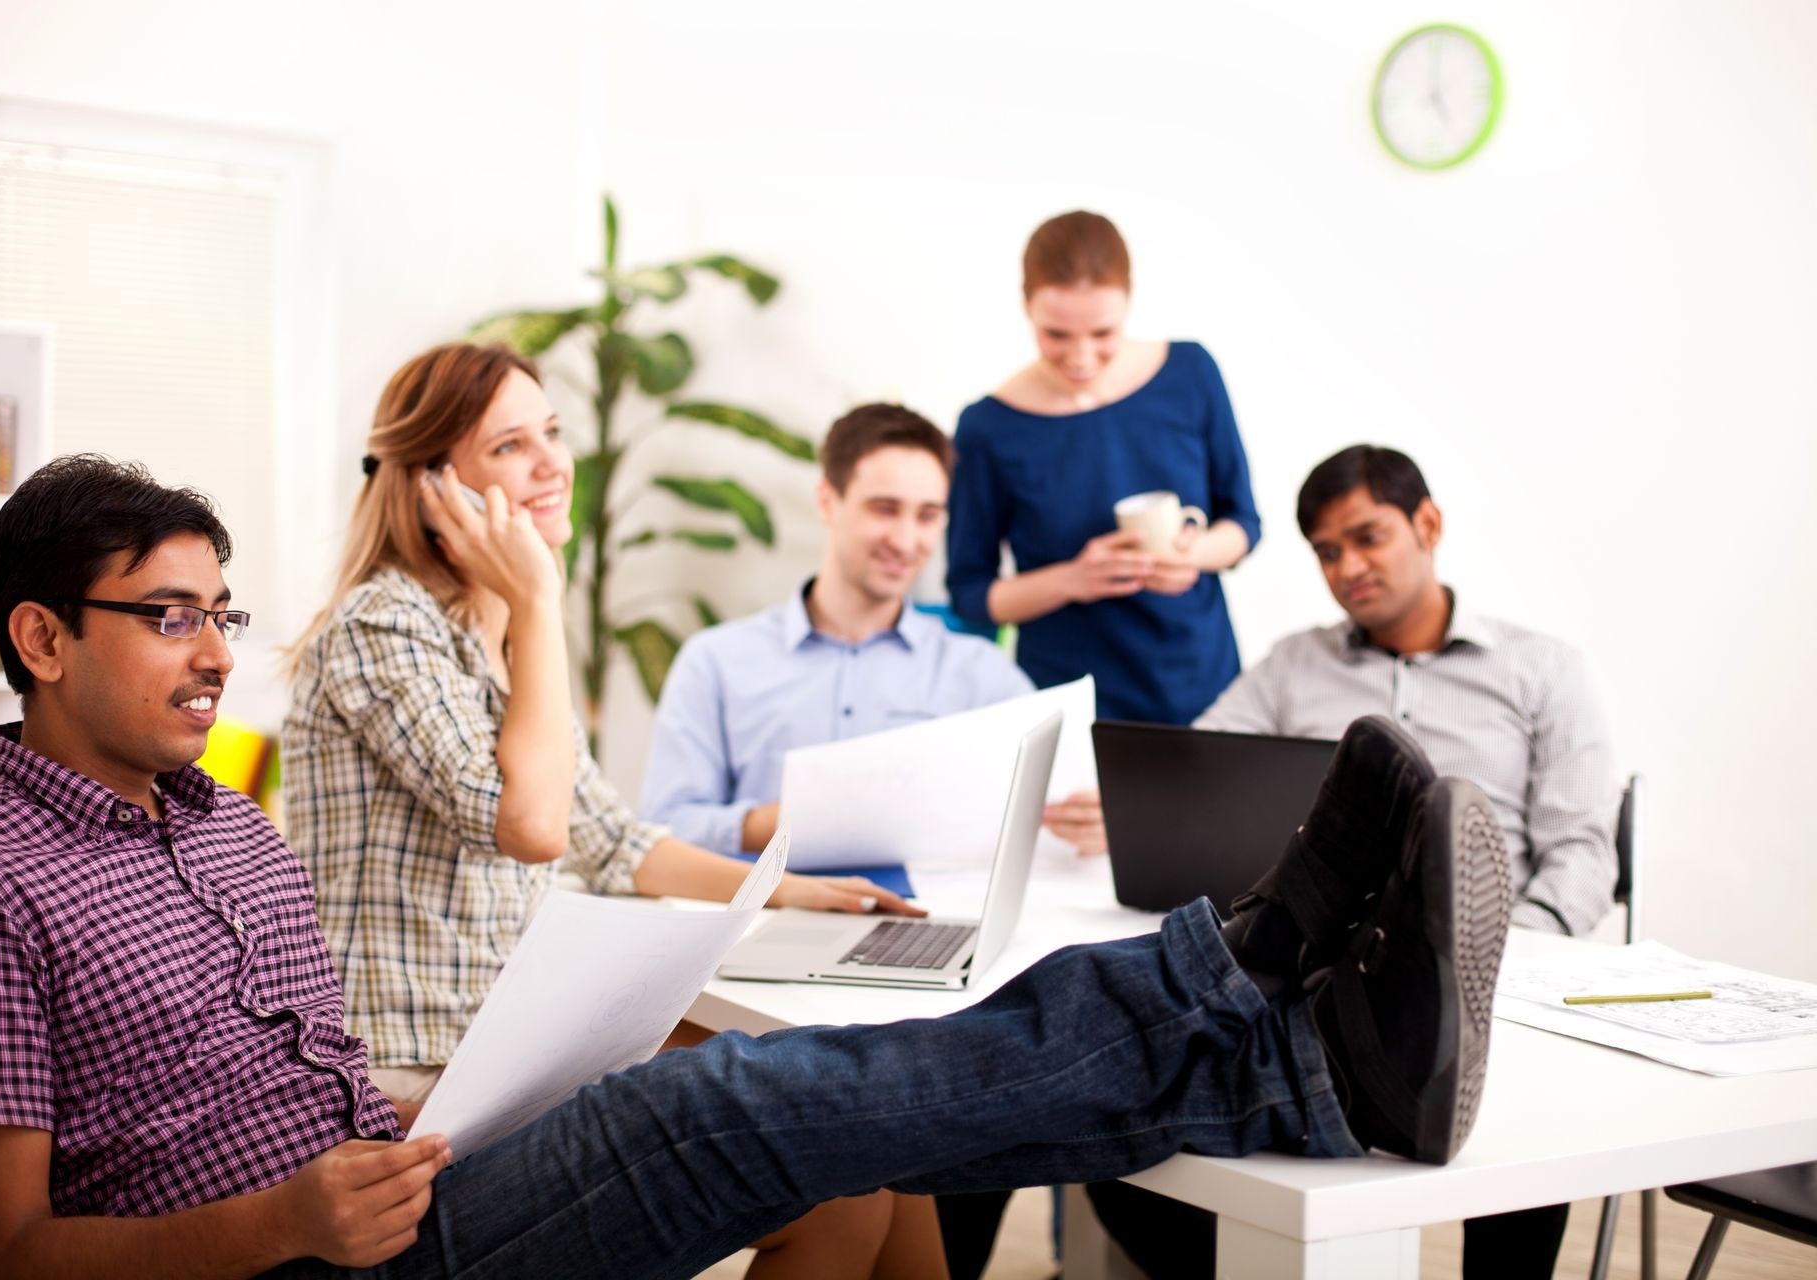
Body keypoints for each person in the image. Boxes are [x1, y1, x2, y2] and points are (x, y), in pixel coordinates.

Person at [0, 453, 1513, 1280]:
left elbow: (311, 1092)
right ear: (41, 637)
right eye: (166, 618)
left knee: (798, 1080)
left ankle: (1295, 1053)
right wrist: (287, 1226)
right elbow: (4, 1259)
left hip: (384, 1196)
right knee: (750, 1102)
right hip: (308, 1269)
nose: (207, 654)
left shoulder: (224, 827)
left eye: (217, 613)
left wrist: (424, 1112)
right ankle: (1246, 997)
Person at [280, 343, 936, 1276]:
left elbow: (607, 837)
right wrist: (540, 602)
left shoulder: (496, 627)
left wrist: (788, 890)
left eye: (552, 432)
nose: (554, 463)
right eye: (512, 446)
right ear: (436, 487)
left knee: (868, 1119)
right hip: (416, 1072)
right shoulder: (384, 627)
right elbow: (532, 825)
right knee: (834, 1178)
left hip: (511, 1041)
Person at [1086, 444, 1619, 1280]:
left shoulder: (1543, 669)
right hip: (1310, 972)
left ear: (1428, 524)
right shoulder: (1296, 663)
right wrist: (1135, 799)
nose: (1348, 568)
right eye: (1327, 552)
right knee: (1124, 1123)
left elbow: (1583, 851)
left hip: (1480, 974)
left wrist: (1503, 950)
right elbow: (1204, 765)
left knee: (1521, 1126)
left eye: (1367, 538)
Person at [639, 401, 1105, 858]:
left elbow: (1064, 809)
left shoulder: (981, 675)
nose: (905, 541)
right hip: (763, 918)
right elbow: (664, 827)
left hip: (927, 920)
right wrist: (793, 822)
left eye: (926, 516)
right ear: (828, 500)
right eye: (884, 509)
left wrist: (1093, 826)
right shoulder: (716, 662)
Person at [945, 210, 1261, 731]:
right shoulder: (987, 427)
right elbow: (973, 594)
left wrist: (1193, 555)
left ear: (1129, 301)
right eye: (1056, 334)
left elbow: (1244, 521)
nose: (1081, 357)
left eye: (1102, 332)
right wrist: (1074, 579)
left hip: (1203, 683)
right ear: (1026, 307)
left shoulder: (1190, 373)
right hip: (1071, 703)